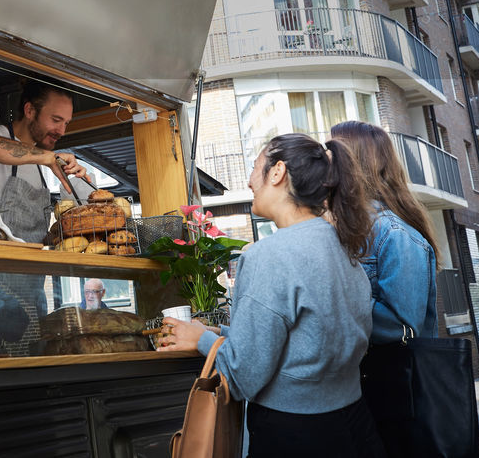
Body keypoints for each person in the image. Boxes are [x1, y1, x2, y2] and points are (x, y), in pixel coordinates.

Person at [158, 134, 384, 458]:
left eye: (254, 167)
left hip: (296, 435)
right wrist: (219, 333)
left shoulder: (270, 256)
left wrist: (201, 342)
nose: (250, 180)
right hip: (355, 423)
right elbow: (302, 340)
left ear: (277, 172)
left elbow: (242, 376)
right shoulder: (343, 246)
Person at [330, 120, 438, 344]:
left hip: (389, 375)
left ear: (352, 162)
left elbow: (402, 327)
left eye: (331, 154)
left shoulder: (395, 234)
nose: (324, 162)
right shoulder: (336, 226)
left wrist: (331, 301)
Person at [0, 79, 92, 244]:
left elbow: (30, 237)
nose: (62, 131)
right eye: (56, 120)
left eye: (66, 123)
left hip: (27, 267)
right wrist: (49, 158)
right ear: (30, 111)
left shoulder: (38, 167)